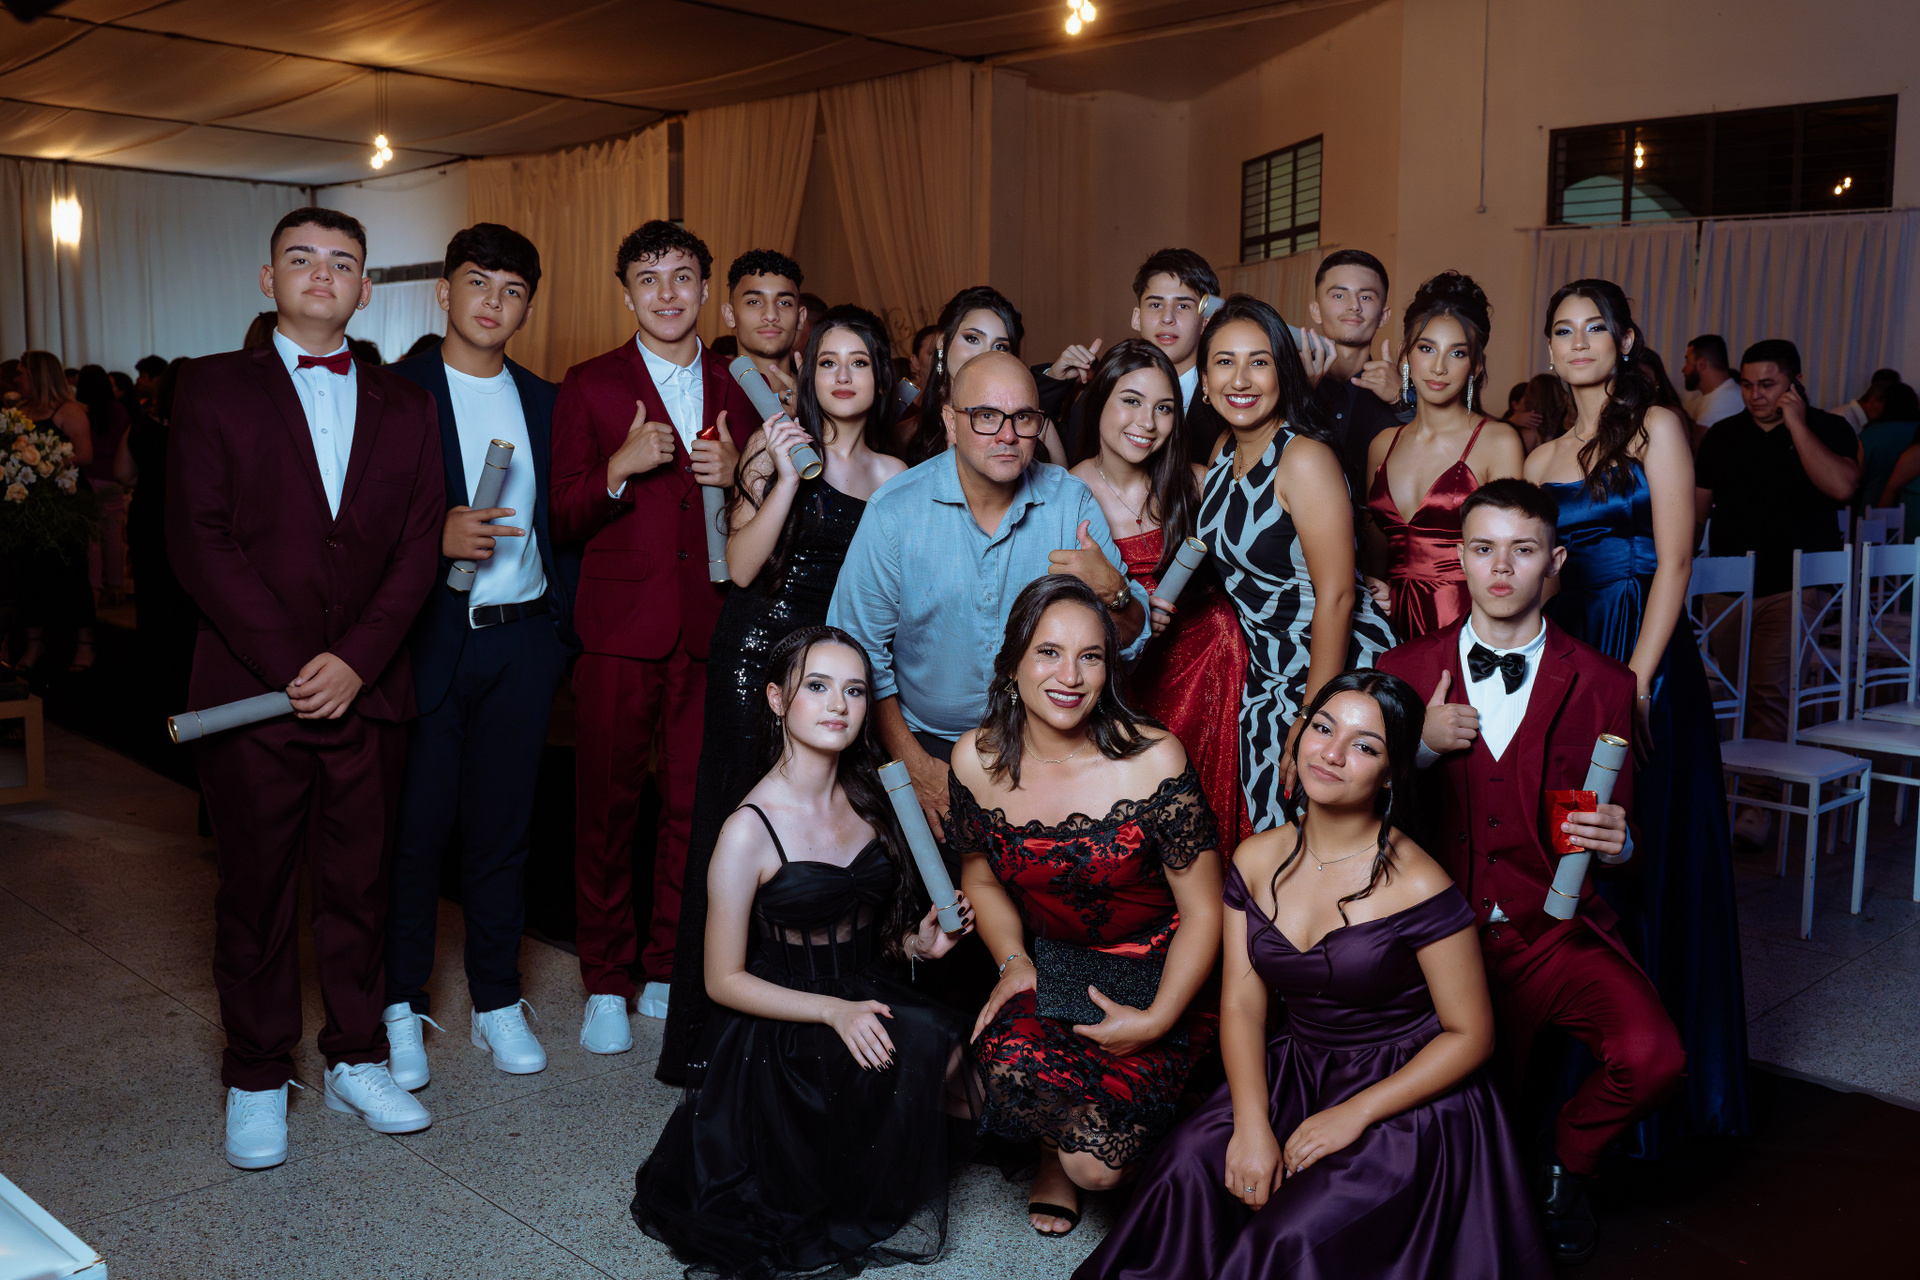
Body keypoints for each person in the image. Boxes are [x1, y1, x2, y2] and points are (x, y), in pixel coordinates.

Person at [1077, 670, 1550, 1280]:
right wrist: (1252, 1126)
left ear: (1391, 774)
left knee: (1285, 1239)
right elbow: (1243, 1006)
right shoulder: (1255, 857)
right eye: (1323, 728)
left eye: (1364, 745)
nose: (1332, 753)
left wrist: (1355, 1114)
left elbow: (1472, 1035)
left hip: (1406, 1092)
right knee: (1185, 1167)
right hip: (1298, 1067)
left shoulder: (1419, 883)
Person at [167, 206, 445, 1169]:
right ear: (268, 279)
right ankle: (256, 1072)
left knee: (361, 885)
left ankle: (357, 1056)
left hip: (370, 690)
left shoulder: (408, 404)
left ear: (365, 289)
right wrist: (294, 662)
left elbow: (419, 547)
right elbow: (197, 540)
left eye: (343, 262)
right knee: (255, 888)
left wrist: (357, 659)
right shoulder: (210, 387)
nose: (323, 273)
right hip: (253, 691)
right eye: (302, 258)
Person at [1378, 480, 1686, 1265]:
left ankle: (1563, 1169)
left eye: (1523, 550)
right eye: (1483, 549)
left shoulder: (1607, 684)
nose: (1501, 568)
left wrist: (1622, 845)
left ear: (1555, 562)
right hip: (1437, 941)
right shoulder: (1401, 670)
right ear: (1460, 559)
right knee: (1456, 1137)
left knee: (1654, 1057)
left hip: (1552, 932)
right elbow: (1355, 818)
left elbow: (1623, 831)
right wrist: (1417, 747)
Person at [631, 626, 976, 1278]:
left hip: (862, 984)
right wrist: (832, 1012)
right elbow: (722, 980)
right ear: (775, 699)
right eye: (817, 686)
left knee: (962, 1056)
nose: (838, 705)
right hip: (784, 1016)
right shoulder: (748, 829)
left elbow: (866, 930)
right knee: (916, 1063)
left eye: (854, 690)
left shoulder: (869, 798)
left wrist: (918, 943)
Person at [658, 305, 907, 1085]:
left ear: (879, 378)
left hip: (835, 669)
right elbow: (739, 566)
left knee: (828, 825)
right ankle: (705, 1044)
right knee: (734, 825)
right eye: (827, 362)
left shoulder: (895, 476)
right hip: (756, 651)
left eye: (858, 363)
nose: (842, 376)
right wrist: (787, 478)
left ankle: (818, 1014)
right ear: (807, 374)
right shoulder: (774, 445)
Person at [1526, 278, 1749, 1151]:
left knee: (1650, 844)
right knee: (1577, 849)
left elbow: (1676, 561)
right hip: (1572, 654)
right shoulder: (1540, 460)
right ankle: (1582, 1069)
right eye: (1563, 330)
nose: (1579, 342)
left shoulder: (1657, 425)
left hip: (1646, 654)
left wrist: (1639, 682)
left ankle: (1665, 1093)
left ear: (1625, 340)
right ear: (1550, 349)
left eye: (1595, 328)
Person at [950, 575, 1223, 1236]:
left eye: (1090, 656)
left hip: (1160, 969)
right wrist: (1014, 961)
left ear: (1109, 668)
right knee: (984, 1077)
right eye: (1048, 652)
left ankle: (1168, 1130)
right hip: (1060, 966)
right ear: (1013, 663)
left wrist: (1156, 1020)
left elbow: (1206, 911)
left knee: (1097, 1167)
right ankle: (1052, 1148)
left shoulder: (1153, 759)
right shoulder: (975, 759)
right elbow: (980, 880)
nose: (1069, 676)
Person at [378, 224, 577, 1089]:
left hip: (522, 638)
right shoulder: (397, 393)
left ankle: (497, 998)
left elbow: (565, 519)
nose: (493, 302)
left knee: (504, 831)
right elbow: (356, 523)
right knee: (415, 833)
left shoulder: (546, 400)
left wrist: (558, 635)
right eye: (477, 282)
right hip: (429, 639)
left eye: (512, 290)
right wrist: (432, 539)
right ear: (444, 292)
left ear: (528, 306)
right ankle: (400, 1002)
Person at [550, 219, 754, 1045]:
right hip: (618, 630)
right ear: (626, 293)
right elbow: (561, 514)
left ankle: (668, 964)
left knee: (693, 809)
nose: (666, 293)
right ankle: (605, 976)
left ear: (705, 289)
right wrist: (618, 468)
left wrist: (739, 478)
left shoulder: (741, 383)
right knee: (605, 808)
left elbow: (772, 512)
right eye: (648, 278)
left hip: (709, 624)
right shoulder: (589, 383)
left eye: (681, 277)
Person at [828, 350, 1147, 841]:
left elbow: (1125, 642)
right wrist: (914, 764)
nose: (1007, 435)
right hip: (929, 745)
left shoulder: (1069, 504)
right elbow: (859, 654)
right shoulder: (895, 513)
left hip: (1053, 742)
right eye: (986, 416)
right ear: (951, 422)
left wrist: (1115, 592)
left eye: (1023, 418)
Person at [1195, 296, 1395, 832]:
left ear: (1283, 373)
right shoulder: (1223, 451)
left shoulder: (1303, 458)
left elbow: (1339, 597)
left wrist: (1314, 716)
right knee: (1274, 835)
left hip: (1330, 671)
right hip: (1267, 670)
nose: (1241, 379)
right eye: (1224, 362)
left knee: (1319, 834)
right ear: (1205, 381)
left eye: (1259, 362)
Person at [1069, 339, 1252, 852]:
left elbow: (1266, 557)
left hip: (1212, 661)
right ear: (1100, 400)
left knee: (1210, 814)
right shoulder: (1068, 490)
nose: (1147, 422)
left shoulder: (1197, 482)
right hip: (1124, 677)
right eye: (1131, 400)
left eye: (1164, 408)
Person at [1694, 338, 1860, 840]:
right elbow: (1697, 510)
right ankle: (1730, 792)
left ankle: (1756, 806)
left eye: (1767, 385)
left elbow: (1842, 487)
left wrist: (1797, 424)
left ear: (1795, 383)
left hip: (1794, 585)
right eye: (1747, 385)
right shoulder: (1724, 435)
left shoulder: (1827, 427)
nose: (1755, 395)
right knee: (1734, 693)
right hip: (1727, 587)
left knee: (1768, 692)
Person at [1362, 271, 1524, 641]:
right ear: (1406, 354)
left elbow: (1517, 558)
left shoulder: (1498, 441)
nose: (1438, 367)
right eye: (1426, 348)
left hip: (1466, 626)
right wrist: (1370, 587)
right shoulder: (1382, 444)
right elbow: (1375, 556)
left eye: (1457, 353)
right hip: (1385, 630)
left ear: (1476, 365)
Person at [904, 285, 1066, 467]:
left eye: (1000, 347)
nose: (986, 355)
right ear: (942, 341)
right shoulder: (907, 433)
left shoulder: (1037, 429)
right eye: (973, 339)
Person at [11, 350, 97, 672]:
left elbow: (85, 454)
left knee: (71, 571)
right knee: (29, 573)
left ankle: (84, 644)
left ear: (38, 375)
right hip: (30, 503)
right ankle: (35, 643)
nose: (16, 379)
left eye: (21, 373)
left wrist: (43, 462)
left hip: (66, 502)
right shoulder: (19, 411)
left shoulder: (69, 410)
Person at [1303, 248, 1407, 498]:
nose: (1354, 307)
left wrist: (1402, 400)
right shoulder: (1288, 383)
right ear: (1315, 311)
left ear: (1384, 316)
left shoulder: (1403, 396)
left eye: (1366, 297)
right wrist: (1300, 393)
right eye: (1339, 295)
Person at [720, 248, 807, 408]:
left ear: (800, 318)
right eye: (754, 302)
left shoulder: (822, 396)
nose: (771, 315)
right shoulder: (708, 396)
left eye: (784, 303)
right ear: (729, 315)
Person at [76, 364, 130, 620]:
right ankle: (116, 585)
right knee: (113, 535)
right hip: (114, 476)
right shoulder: (118, 410)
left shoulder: (82, 412)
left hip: (91, 475)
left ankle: (94, 588)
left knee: (93, 538)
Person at [1861, 381, 1920, 515]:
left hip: (1872, 507)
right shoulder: (1915, 431)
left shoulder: (1870, 435)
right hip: (1907, 511)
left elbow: (1855, 474)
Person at [1680, 334, 1743, 445]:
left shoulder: (1724, 400)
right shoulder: (1712, 396)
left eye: (1687, 362)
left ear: (1702, 364)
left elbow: (1696, 450)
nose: (1683, 369)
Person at [1830, 366, 1900, 434]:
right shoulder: (1842, 418)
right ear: (1873, 400)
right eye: (1888, 405)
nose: (1888, 411)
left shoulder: (1860, 420)